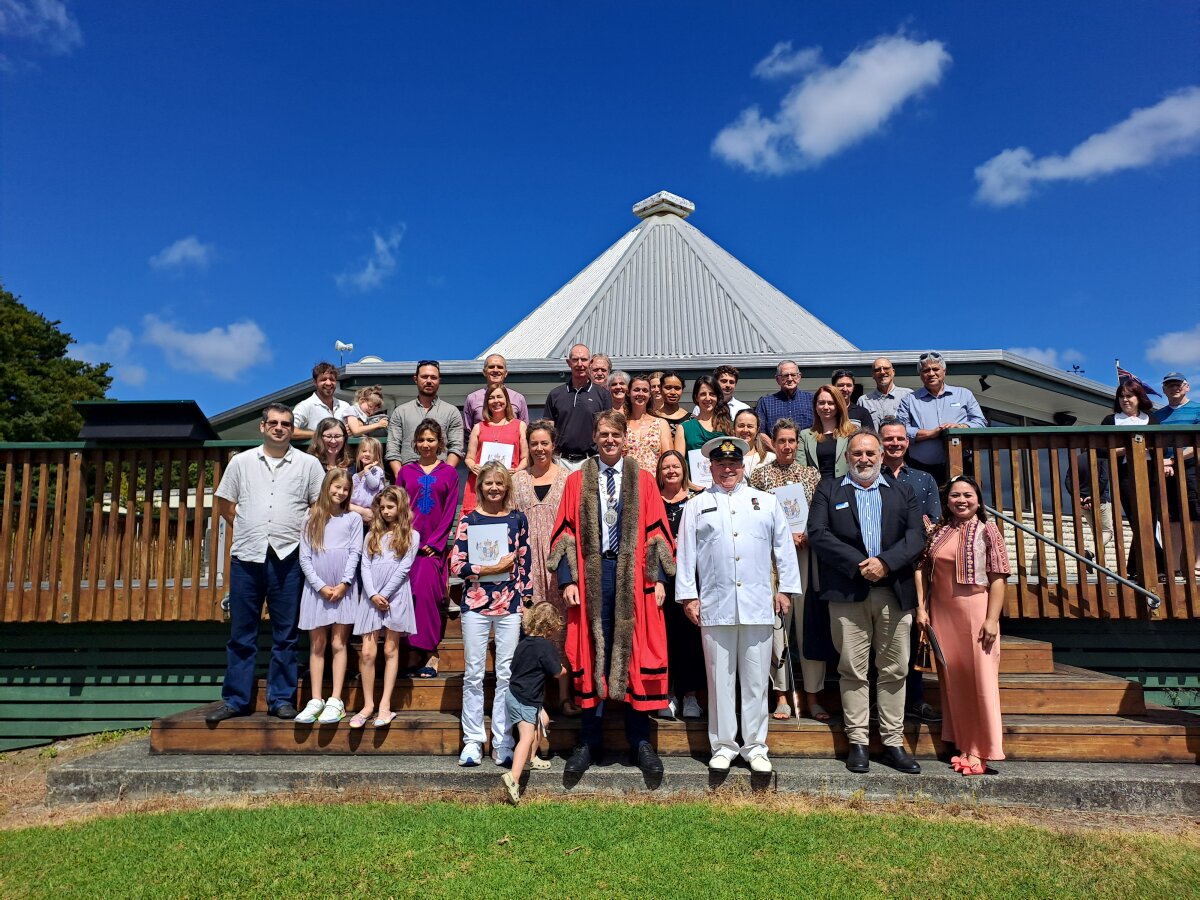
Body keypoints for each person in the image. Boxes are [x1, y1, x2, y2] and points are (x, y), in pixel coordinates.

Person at [548, 410, 676, 776]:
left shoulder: (644, 480)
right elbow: (564, 533)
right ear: (594, 436)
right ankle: (589, 740)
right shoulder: (578, 480)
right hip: (592, 574)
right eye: (603, 434)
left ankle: (640, 741)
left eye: (615, 435)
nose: (609, 440)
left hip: (633, 575)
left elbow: (656, 532)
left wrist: (659, 581)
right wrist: (568, 580)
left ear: (624, 439)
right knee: (592, 652)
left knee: (635, 652)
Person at [676, 437, 800, 773]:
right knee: (719, 680)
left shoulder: (766, 502)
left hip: (758, 603)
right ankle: (724, 745)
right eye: (720, 464)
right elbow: (686, 555)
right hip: (715, 606)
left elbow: (784, 549)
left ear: (743, 466)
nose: (727, 469)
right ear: (711, 467)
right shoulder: (696, 506)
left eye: (733, 463)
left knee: (757, 680)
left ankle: (756, 746)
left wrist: (786, 589)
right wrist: (689, 596)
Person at [807, 431, 926, 775]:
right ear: (848, 457)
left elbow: (916, 536)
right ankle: (857, 742)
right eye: (857, 453)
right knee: (852, 669)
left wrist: (886, 562)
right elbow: (818, 532)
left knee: (895, 669)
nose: (864, 459)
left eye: (870, 453)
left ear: (880, 456)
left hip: (895, 592)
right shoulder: (829, 489)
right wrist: (860, 563)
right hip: (847, 592)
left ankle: (892, 742)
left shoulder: (903, 490)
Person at [206, 404, 325, 723]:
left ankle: (281, 699)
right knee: (242, 632)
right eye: (273, 423)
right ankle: (235, 699)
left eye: (285, 424)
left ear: (291, 429)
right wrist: (250, 527)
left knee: (285, 633)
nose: (279, 428)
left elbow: (319, 507)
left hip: (288, 557)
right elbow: (225, 505)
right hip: (247, 556)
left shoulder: (309, 464)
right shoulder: (241, 462)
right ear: (262, 427)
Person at [915, 475, 1011, 776]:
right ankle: (962, 743)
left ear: (978, 500)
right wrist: (922, 607)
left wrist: (992, 619)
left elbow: (998, 579)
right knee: (954, 681)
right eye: (955, 495)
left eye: (967, 495)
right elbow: (921, 568)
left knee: (979, 681)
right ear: (947, 501)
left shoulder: (988, 531)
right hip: (943, 613)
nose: (961, 500)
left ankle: (981, 750)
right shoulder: (939, 531)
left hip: (975, 612)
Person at [450, 461, 532, 767]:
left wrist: (527, 597)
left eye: (500, 483)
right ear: (479, 486)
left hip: (510, 605)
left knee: (506, 675)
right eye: (488, 483)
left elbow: (525, 561)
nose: (494, 488)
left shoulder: (516, 519)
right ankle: (472, 740)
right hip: (475, 604)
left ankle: (502, 741)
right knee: (473, 673)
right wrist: (490, 568)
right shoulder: (468, 520)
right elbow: (456, 565)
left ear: (506, 487)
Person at [749, 419, 826, 722]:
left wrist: (807, 534)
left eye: (792, 441)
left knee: (808, 625)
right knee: (778, 626)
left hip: (805, 555)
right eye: (781, 441)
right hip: (772, 560)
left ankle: (813, 695)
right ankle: (781, 694)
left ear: (798, 442)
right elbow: (753, 517)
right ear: (773, 443)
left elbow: (820, 513)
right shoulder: (759, 476)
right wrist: (782, 537)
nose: (787, 446)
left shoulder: (811, 474)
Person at [878, 417, 943, 723]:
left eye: (900, 439)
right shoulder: (866, 476)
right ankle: (878, 704)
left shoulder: (923, 479)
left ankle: (914, 698)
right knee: (879, 638)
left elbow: (932, 523)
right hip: (877, 568)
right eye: (888, 439)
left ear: (908, 442)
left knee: (914, 635)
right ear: (880, 442)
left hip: (914, 568)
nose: (894, 443)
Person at [512, 420, 578, 716]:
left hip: (559, 565)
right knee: (532, 628)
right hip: (525, 566)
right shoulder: (516, 480)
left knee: (560, 628)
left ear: (554, 445)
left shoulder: (567, 479)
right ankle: (534, 702)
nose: (539, 448)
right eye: (534, 443)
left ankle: (564, 696)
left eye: (545, 443)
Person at [295, 469, 363, 726]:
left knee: (338, 643)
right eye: (336, 487)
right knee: (318, 644)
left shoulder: (353, 519)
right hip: (316, 590)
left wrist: (344, 584)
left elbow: (355, 553)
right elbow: (304, 557)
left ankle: (336, 699)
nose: (340, 492)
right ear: (326, 487)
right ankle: (315, 699)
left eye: (345, 489)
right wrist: (320, 586)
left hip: (343, 588)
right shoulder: (310, 518)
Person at [396, 419, 459, 679]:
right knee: (407, 597)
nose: (425, 445)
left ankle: (430, 651)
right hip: (406, 547)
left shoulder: (449, 473)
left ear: (440, 443)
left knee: (429, 598)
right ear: (415, 443)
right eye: (421, 440)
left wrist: (436, 543)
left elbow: (449, 511)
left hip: (433, 550)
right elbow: (398, 509)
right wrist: (404, 540)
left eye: (431, 440)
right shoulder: (405, 472)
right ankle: (411, 651)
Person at [352, 486, 418, 729]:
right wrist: (371, 593)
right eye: (382, 508)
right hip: (371, 597)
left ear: (400, 508)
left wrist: (384, 593)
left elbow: (404, 568)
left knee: (391, 648)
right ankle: (368, 704)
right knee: (368, 651)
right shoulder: (372, 535)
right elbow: (365, 566)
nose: (386, 511)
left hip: (395, 595)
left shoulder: (412, 535)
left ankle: (385, 705)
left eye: (391, 507)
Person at [655, 450, 704, 720]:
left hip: (692, 577)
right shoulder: (652, 500)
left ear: (684, 469)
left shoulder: (697, 499)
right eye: (666, 467)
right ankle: (669, 693)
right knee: (665, 637)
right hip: (662, 578)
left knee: (691, 638)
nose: (671, 471)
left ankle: (691, 696)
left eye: (676, 466)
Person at [501, 602, 566, 804]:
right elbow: (557, 672)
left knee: (543, 720)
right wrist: (564, 670)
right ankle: (514, 778)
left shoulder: (524, 643)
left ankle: (532, 759)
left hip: (516, 694)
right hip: (526, 699)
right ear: (551, 627)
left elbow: (514, 666)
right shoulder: (544, 647)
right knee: (526, 736)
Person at [897, 351, 988, 487]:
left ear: (944, 371)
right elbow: (900, 431)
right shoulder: (909, 400)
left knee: (964, 505)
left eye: (935, 369)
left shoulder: (964, 394)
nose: (931, 373)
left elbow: (981, 423)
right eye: (926, 370)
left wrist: (961, 428)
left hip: (962, 465)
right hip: (921, 468)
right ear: (920, 375)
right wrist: (930, 433)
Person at [1104, 380, 1164, 578]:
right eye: (1121, 397)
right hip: (1125, 475)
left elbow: (1160, 447)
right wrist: (1128, 449)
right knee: (1137, 520)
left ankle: (1134, 569)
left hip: (1150, 473)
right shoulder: (1111, 420)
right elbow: (1100, 451)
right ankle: (1160, 565)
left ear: (1139, 398)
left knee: (1149, 520)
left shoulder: (1151, 420)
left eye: (1129, 396)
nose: (1125, 400)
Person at [385, 360, 465, 478]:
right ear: (415, 379)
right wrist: (401, 477)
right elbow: (392, 449)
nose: (429, 381)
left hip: (440, 475)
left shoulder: (452, 412)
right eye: (424, 377)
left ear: (439, 381)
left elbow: (457, 448)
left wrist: (444, 476)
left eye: (433, 377)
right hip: (408, 475)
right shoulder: (400, 412)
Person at [544, 343, 612, 472]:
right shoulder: (555, 394)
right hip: (560, 462)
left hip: (591, 461)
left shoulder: (603, 395)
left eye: (584, 359)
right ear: (568, 363)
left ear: (590, 363)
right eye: (575, 359)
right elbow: (548, 430)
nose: (580, 364)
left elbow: (607, 429)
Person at [462, 384, 528, 515]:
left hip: (508, 484)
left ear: (507, 401)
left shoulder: (520, 425)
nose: (496, 401)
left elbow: (526, 458)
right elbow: (469, 457)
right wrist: (472, 465)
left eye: (499, 397)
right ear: (487, 402)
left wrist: (517, 470)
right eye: (491, 398)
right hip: (480, 485)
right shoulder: (478, 427)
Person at [1159, 372, 1200, 581]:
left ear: (1186, 387)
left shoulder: (1198, 409)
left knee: (1195, 516)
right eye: (1169, 385)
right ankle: (1174, 567)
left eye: (1178, 384)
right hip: (1167, 471)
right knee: (1172, 518)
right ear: (1164, 389)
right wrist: (1163, 463)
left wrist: (1174, 460)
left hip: (1193, 469)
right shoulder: (1157, 416)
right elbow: (1152, 444)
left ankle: (1196, 564)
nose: (1174, 388)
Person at [675, 376, 733, 485]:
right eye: (703, 394)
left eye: (712, 394)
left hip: (724, 487)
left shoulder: (729, 426)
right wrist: (691, 485)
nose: (708, 398)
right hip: (694, 489)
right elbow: (678, 464)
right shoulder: (683, 428)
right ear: (696, 397)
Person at [797, 385, 855, 481]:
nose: (826, 407)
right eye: (821, 403)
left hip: (845, 490)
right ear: (815, 406)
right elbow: (801, 469)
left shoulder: (853, 433)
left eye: (831, 403)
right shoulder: (805, 435)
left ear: (838, 405)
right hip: (817, 491)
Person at [462, 354, 530, 433]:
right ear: (484, 372)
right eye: (491, 367)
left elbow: (525, 431)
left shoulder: (518, 398)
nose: (495, 370)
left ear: (506, 373)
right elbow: (467, 432)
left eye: (500, 367)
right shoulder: (472, 398)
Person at [755, 361, 814, 448]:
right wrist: (778, 452)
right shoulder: (766, 403)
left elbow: (820, 429)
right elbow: (760, 433)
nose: (790, 379)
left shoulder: (812, 400)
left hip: (806, 457)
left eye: (793, 375)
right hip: (775, 456)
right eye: (785, 375)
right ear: (777, 379)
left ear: (799, 377)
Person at [624, 374, 672, 476]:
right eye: (636, 390)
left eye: (645, 390)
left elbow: (668, 458)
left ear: (650, 395)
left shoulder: (661, 424)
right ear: (628, 393)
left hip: (654, 483)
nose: (641, 394)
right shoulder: (621, 424)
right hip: (627, 483)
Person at [293, 362, 353, 440]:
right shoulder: (305, 406)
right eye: (323, 379)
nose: (328, 383)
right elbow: (290, 431)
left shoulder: (345, 406)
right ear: (315, 382)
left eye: (332, 379)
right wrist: (321, 434)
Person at [860, 357, 913, 431]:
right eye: (877, 370)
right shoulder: (864, 400)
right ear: (873, 375)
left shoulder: (908, 395)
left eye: (886, 368)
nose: (882, 372)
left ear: (893, 372)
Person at [349, 437, 386, 524]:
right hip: (358, 511)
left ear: (377, 455)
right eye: (364, 451)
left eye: (371, 452)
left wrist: (366, 471)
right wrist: (359, 475)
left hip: (371, 512)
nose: (367, 454)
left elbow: (373, 485)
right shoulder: (359, 473)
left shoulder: (375, 469)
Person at [733, 408, 774, 483]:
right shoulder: (724, 459)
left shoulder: (770, 459)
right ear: (734, 429)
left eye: (750, 426)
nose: (745, 430)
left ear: (757, 430)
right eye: (741, 426)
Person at [652, 371, 691, 446]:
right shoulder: (652, 418)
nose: (673, 392)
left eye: (677, 388)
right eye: (668, 388)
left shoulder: (691, 419)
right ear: (660, 389)